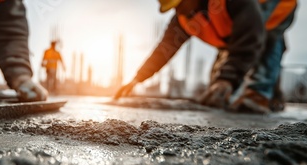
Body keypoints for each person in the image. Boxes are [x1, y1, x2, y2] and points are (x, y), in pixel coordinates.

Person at [114, 0, 296, 114]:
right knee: (219, 82)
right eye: (176, 8)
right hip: (236, 31)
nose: (181, 11)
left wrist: (227, 78)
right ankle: (274, 96)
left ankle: (260, 94)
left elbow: (250, 36)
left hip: (275, 7)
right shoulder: (184, 16)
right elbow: (164, 49)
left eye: (182, 4)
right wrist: (138, 78)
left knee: (268, 38)